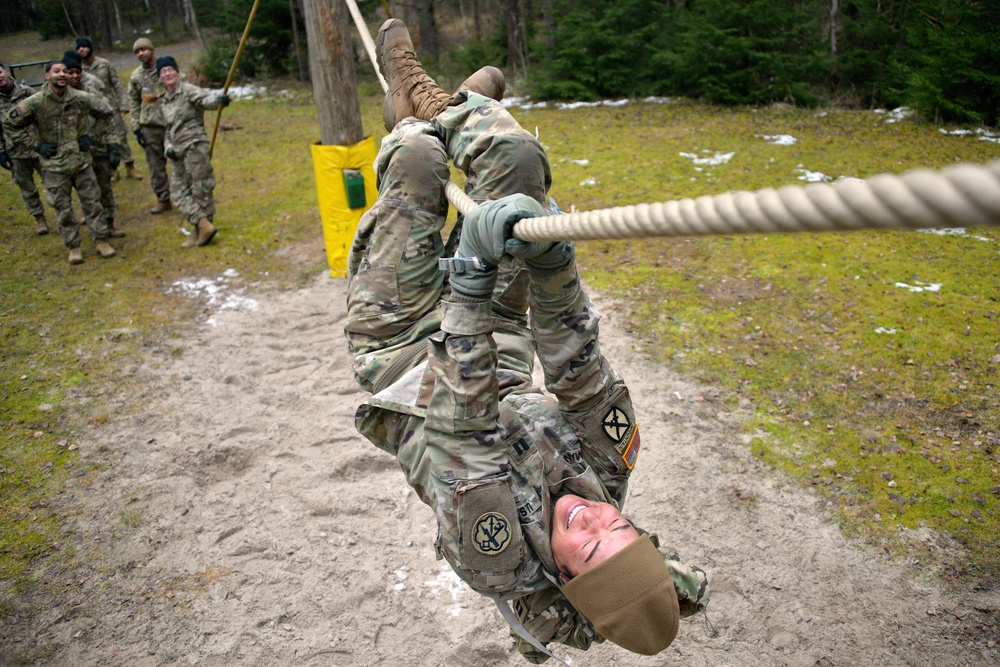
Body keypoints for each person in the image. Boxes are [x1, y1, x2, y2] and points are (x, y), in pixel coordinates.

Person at [346, 19, 708, 663]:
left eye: (591, 547)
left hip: (405, 357)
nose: (593, 518)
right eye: (618, 526)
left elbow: (464, 424)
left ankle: (423, 110)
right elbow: (580, 369)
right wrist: (552, 263)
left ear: (565, 579)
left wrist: (471, 276)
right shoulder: (607, 472)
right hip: (499, 344)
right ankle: (432, 101)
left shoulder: (495, 553)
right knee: (519, 168)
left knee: (419, 161)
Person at [2, 58, 118, 264]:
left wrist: (90, 134)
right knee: (63, 209)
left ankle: (101, 240)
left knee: (93, 204)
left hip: (81, 162)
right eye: (56, 71)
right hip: (54, 166)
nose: (62, 74)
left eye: (65, 71)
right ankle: (73, 246)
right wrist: (36, 144)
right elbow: (10, 124)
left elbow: (107, 113)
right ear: (47, 76)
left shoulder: (81, 98)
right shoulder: (36, 102)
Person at [156, 56, 229, 247]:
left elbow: (206, 99)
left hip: (194, 146)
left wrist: (219, 100)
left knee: (201, 188)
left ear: (177, 72)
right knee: (178, 192)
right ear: (159, 78)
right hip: (177, 152)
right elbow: (167, 131)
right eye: (163, 72)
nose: (168, 73)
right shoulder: (164, 101)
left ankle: (202, 230)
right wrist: (168, 147)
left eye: (171, 69)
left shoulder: (187, 90)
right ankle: (202, 224)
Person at [64, 51, 125, 238]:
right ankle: (94, 225)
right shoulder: (57, 96)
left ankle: (110, 223)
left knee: (104, 188)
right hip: (74, 152)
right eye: (70, 72)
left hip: (98, 146)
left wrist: (114, 145)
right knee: (86, 191)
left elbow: (109, 117)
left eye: (78, 72)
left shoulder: (93, 89)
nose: (74, 76)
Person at [76, 36, 141, 181]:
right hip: (92, 110)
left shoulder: (104, 64)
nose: (81, 50)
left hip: (111, 107)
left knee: (121, 137)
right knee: (103, 139)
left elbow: (117, 84)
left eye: (84, 46)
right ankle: (113, 170)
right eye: (78, 48)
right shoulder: (78, 69)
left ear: (90, 48)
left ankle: (130, 167)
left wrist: (123, 104)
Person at [0, 62, 49, 235]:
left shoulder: (28, 93)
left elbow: (44, 116)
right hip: (15, 152)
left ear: (6, 72)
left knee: (53, 183)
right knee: (27, 188)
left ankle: (64, 213)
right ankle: (39, 219)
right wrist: (1, 151)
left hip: (39, 148)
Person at [128, 38, 171, 214]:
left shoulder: (166, 69)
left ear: (152, 50)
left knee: (179, 163)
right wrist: (136, 126)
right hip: (150, 126)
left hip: (170, 122)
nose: (141, 54)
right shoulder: (136, 76)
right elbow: (133, 101)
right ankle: (163, 199)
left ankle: (187, 197)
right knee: (155, 165)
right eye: (137, 52)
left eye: (144, 50)